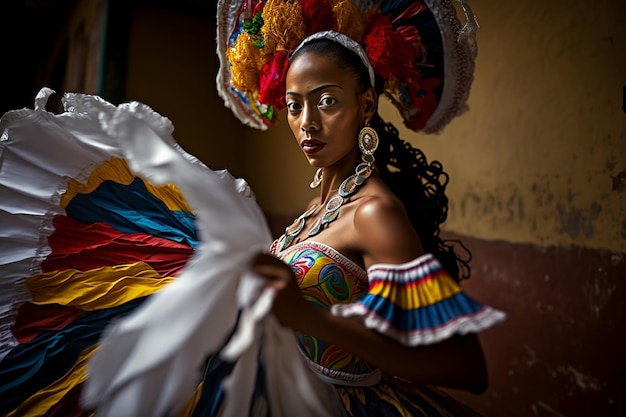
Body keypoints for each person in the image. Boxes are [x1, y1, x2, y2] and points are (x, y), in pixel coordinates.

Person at [0, 0, 505, 416]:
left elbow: (466, 364)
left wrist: (311, 319)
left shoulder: (375, 213)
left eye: (326, 101)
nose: (307, 123)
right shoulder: (317, 208)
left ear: (366, 104)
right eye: (294, 104)